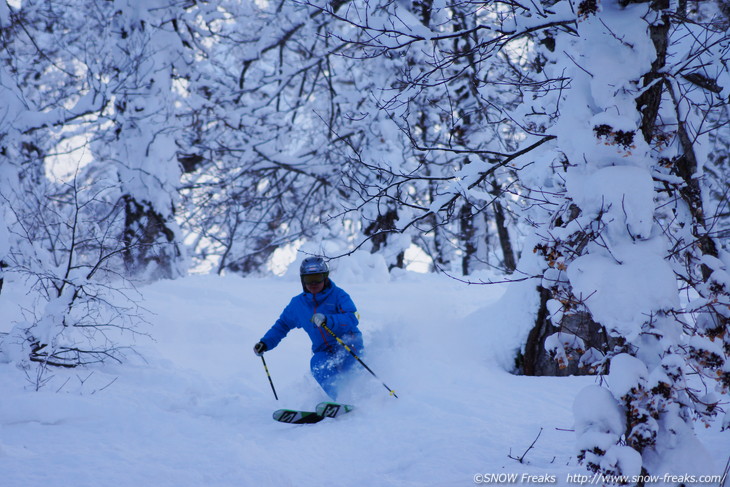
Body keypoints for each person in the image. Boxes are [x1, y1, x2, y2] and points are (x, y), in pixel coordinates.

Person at [253, 256, 363, 401]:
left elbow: (352, 317)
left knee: (351, 371)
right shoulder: (298, 304)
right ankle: (341, 401)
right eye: (308, 279)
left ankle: (362, 398)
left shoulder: (339, 295)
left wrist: (328, 319)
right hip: (323, 349)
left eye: (317, 278)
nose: (313, 283)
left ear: (325, 277)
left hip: (348, 343)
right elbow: (282, 325)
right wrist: (265, 343)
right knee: (318, 365)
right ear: (302, 280)